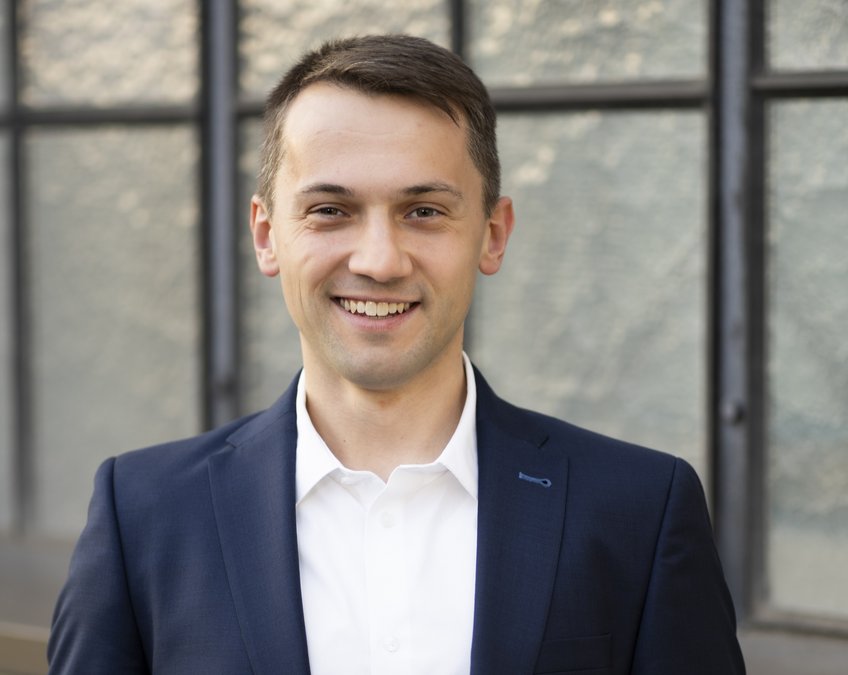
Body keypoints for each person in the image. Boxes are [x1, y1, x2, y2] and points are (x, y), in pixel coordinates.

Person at [47, 35, 745, 674]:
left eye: (424, 211)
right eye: (330, 209)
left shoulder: (638, 511)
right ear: (266, 235)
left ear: (493, 234)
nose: (378, 260)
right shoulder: (143, 514)